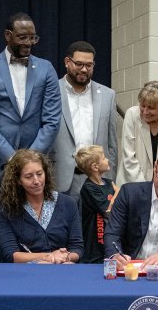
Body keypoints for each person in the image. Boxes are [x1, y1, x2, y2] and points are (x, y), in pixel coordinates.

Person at [0, 12, 61, 262]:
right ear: (7, 35)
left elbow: (52, 121)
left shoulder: (46, 68)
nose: (28, 43)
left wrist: (29, 162)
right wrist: (13, 159)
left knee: (35, 237)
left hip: (35, 172)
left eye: (33, 38)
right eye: (22, 37)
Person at [49, 41, 118, 200]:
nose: (84, 69)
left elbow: (112, 145)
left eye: (89, 65)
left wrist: (109, 180)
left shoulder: (108, 95)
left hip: (97, 181)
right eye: (79, 64)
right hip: (61, 179)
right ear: (67, 62)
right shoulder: (50, 91)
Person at [0, 149, 83, 264]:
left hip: (63, 267)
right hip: (26, 271)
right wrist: (49, 256)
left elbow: (77, 248)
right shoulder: (6, 208)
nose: (36, 181)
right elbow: (11, 255)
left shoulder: (68, 203)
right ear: (18, 180)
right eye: (28, 177)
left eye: (40, 174)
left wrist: (66, 258)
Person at [117, 80, 158, 184]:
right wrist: (145, 187)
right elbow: (128, 156)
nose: (145, 112)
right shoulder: (132, 114)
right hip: (132, 181)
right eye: (143, 106)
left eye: (151, 108)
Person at [76, 145, 118, 264]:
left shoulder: (109, 183)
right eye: (104, 158)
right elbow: (108, 211)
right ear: (95, 167)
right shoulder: (89, 188)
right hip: (94, 244)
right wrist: (118, 192)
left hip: (109, 237)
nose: (107, 160)